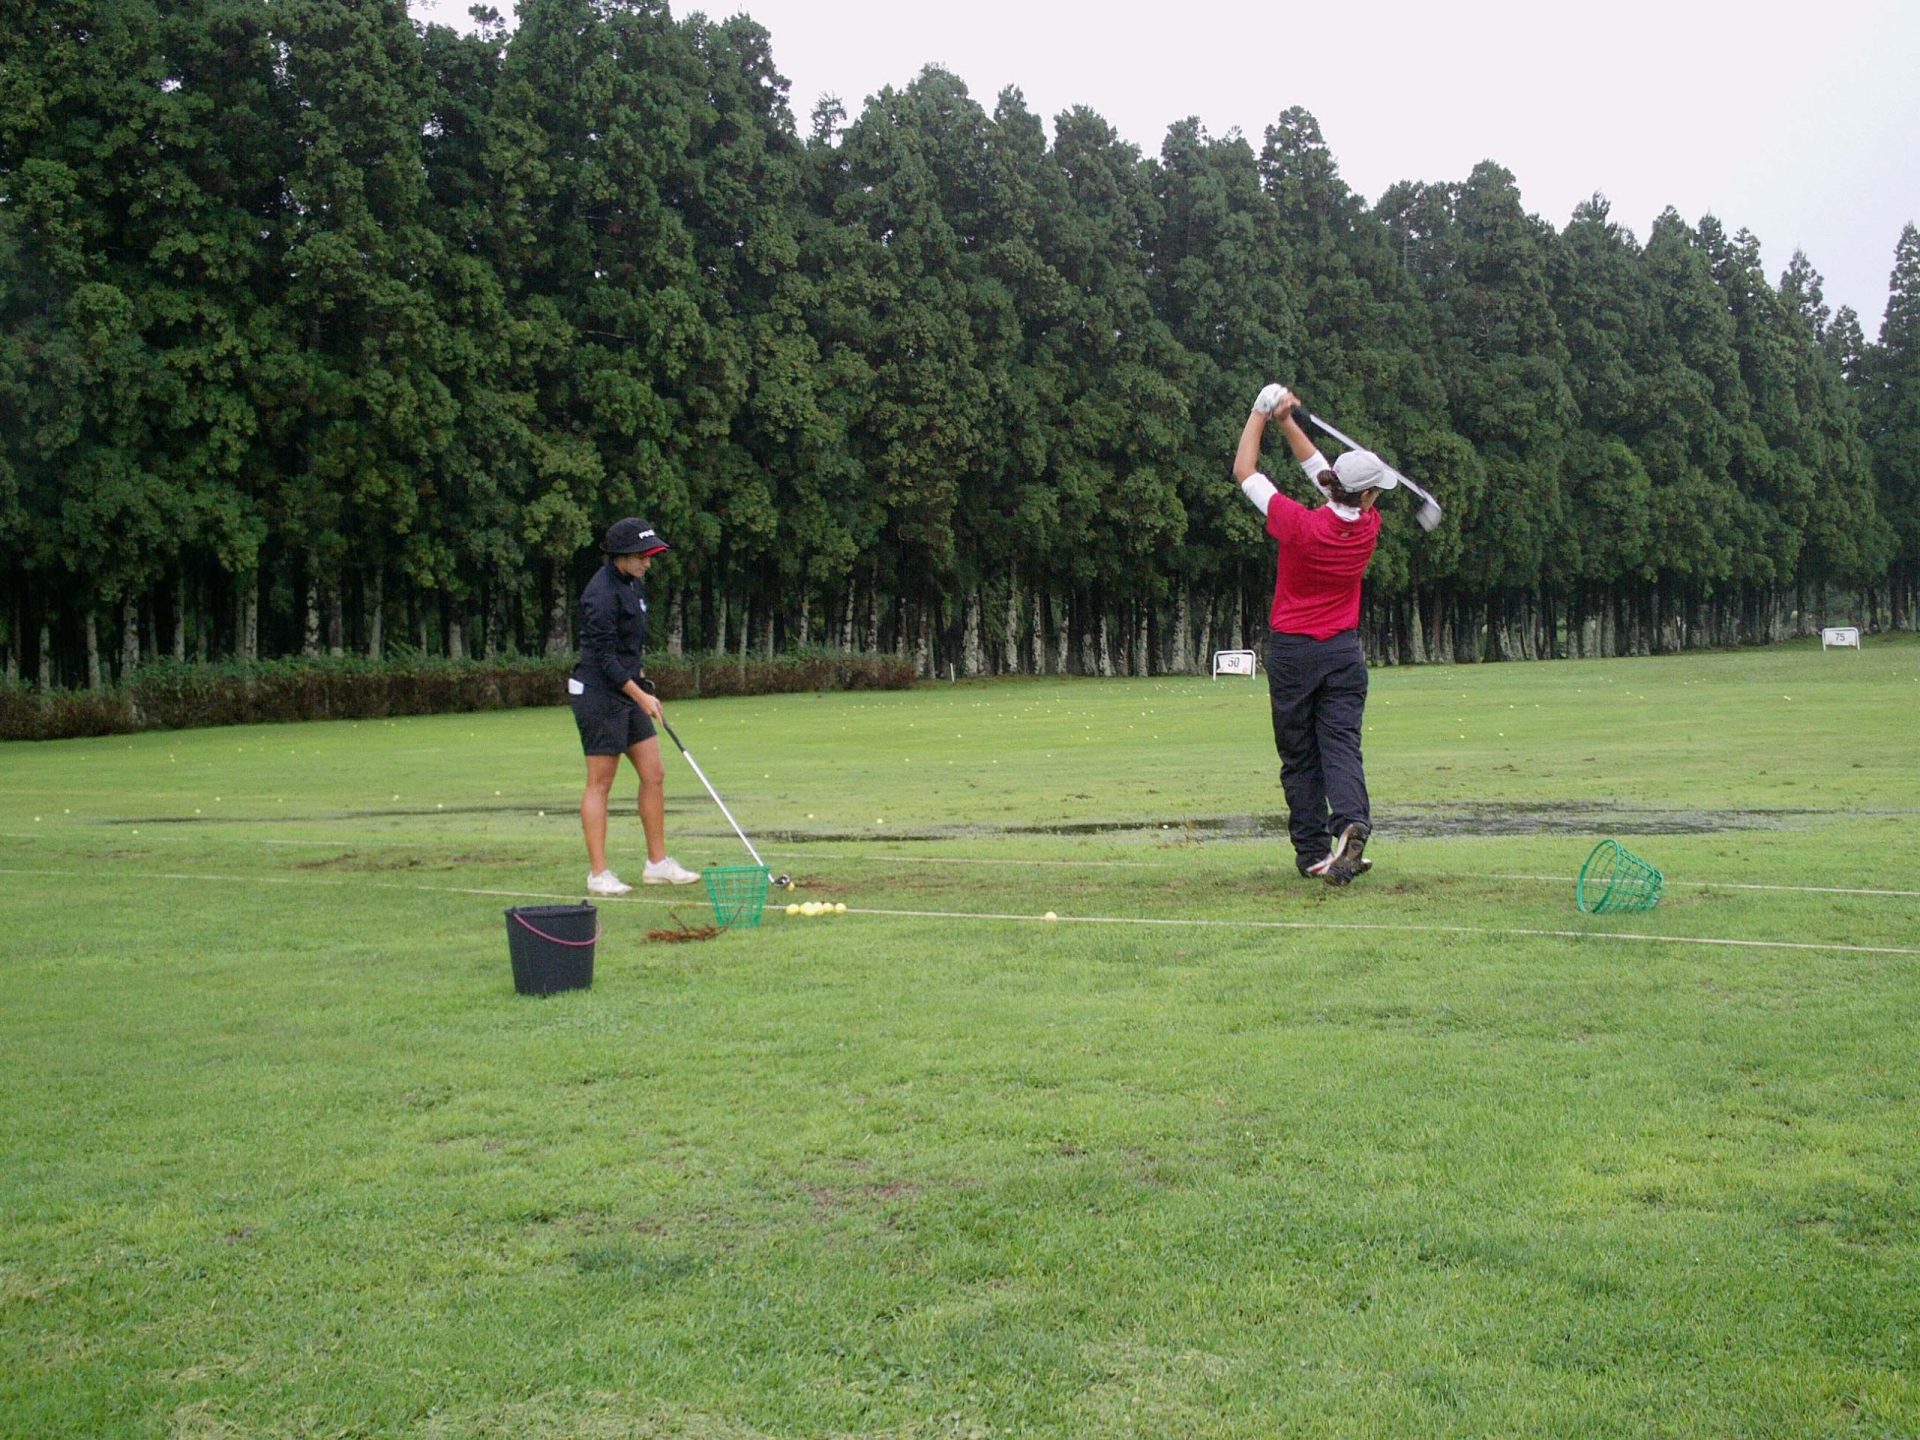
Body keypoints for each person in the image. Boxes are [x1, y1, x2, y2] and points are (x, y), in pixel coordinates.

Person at [1231, 384, 1395, 886]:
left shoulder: (1300, 526)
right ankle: (1351, 823)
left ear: (1336, 486)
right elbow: (1321, 472)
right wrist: (1287, 420)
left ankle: (1312, 854)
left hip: (1294, 653)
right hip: (1343, 653)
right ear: (1365, 495)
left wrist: (1260, 413)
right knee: (1341, 745)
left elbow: (1245, 472)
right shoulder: (1369, 525)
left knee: (1300, 754)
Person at [569, 516, 700, 895]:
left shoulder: (633, 585)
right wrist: (641, 695)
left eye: (650, 555)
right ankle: (599, 874)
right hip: (597, 694)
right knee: (601, 782)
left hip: (625, 692)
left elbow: (630, 649)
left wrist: (641, 685)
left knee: (654, 772)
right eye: (642, 556)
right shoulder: (600, 595)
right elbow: (605, 659)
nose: (647, 563)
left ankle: (657, 864)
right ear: (620, 556)